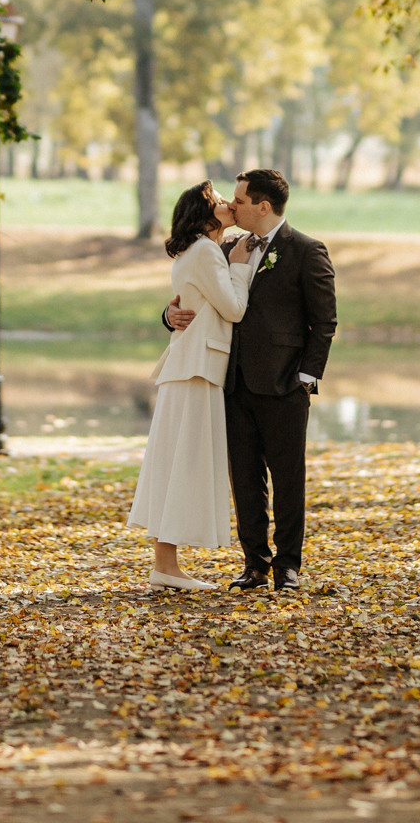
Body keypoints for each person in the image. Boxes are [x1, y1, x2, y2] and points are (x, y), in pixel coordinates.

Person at [165, 167, 335, 592]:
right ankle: (255, 564)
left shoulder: (306, 250)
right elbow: (197, 293)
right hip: (231, 382)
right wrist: (168, 316)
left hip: (284, 384)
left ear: (263, 206)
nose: (232, 205)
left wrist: (306, 378)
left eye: (239, 200)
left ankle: (288, 566)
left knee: (288, 479)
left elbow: (324, 322)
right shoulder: (224, 248)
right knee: (244, 479)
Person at [129, 182, 253, 590]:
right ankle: (165, 567)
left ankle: (165, 565)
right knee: (183, 461)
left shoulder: (195, 251)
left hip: (188, 367)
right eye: (219, 201)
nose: (228, 204)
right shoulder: (206, 251)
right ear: (203, 214)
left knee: (175, 460)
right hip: (197, 368)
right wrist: (237, 267)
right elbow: (234, 309)